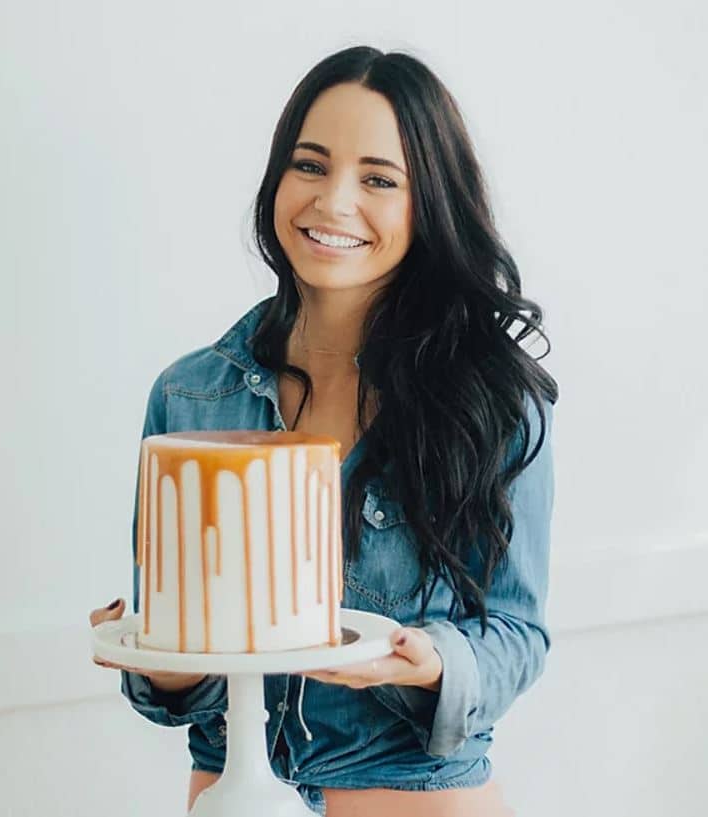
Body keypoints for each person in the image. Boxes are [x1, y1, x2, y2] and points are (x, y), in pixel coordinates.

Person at [90, 45, 557, 817]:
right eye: (309, 165)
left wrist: (428, 660)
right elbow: (176, 680)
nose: (333, 202)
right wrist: (155, 654)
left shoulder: (493, 401)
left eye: (378, 179)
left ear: (429, 203)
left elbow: (517, 631)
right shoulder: (188, 396)